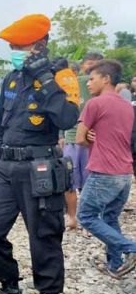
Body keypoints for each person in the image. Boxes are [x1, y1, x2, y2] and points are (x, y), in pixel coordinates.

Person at [0, 14, 79, 294]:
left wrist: (45, 80)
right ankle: (10, 289)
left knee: (44, 239)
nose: (14, 51)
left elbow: (66, 118)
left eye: (19, 46)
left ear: (40, 45)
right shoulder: (10, 78)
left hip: (39, 168)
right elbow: (0, 126)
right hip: (6, 168)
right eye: (12, 46)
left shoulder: (61, 76)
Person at [75, 59, 136, 278]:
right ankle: (115, 265)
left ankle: (130, 248)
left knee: (87, 216)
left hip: (104, 172)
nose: (89, 83)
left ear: (106, 79)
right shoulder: (126, 106)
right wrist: (95, 137)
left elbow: (80, 138)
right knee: (110, 218)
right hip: (125, 173)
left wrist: (89, 138)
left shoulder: (95, 104)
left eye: (92, 78)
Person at [61, 53, 101, 229]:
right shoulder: (70, 85)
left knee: (85, 181)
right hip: (72, 138)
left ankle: (80, 216)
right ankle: (75, 217)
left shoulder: (93, 86)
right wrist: (61, 135)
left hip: (89, 141)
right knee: (70, 181)